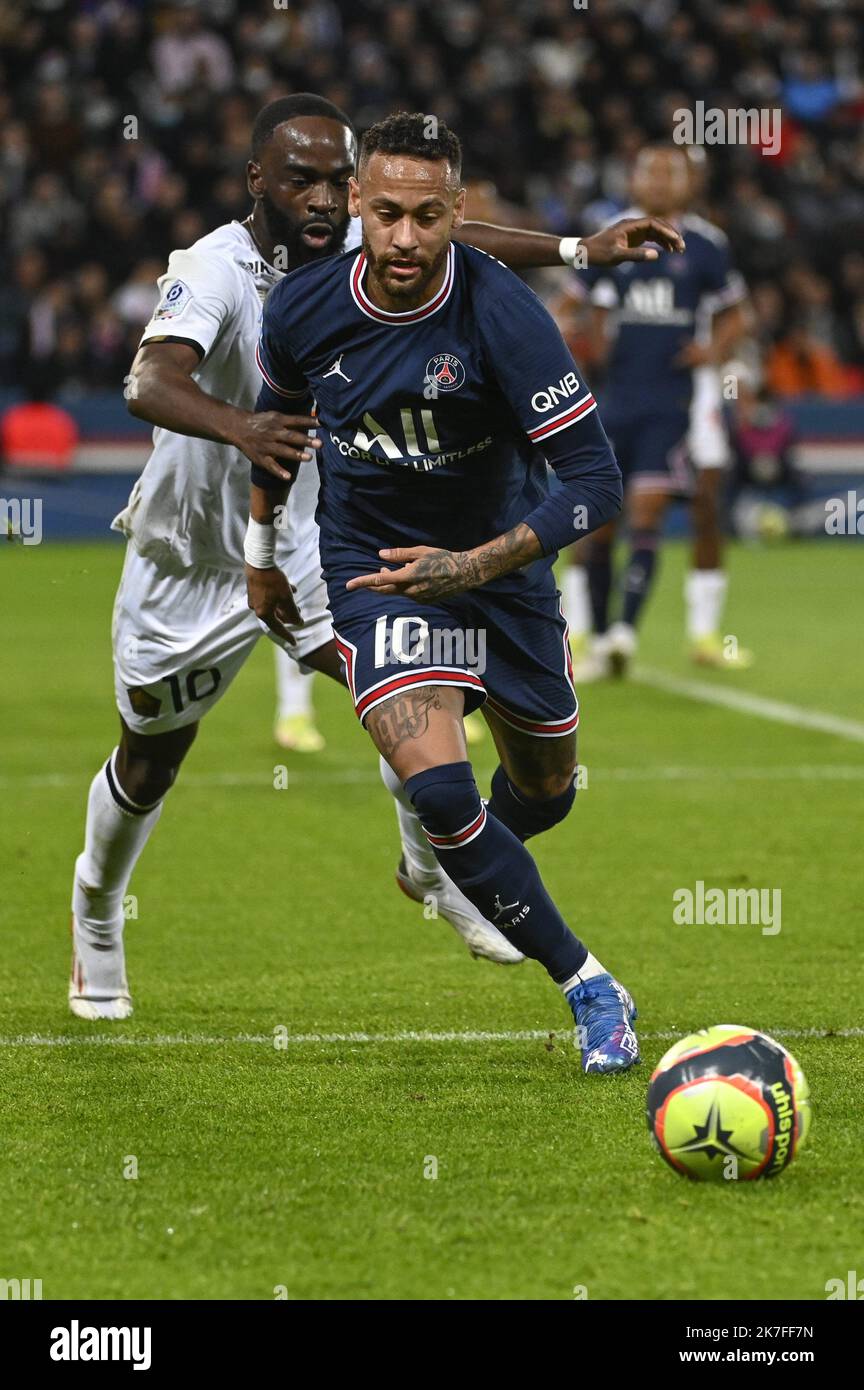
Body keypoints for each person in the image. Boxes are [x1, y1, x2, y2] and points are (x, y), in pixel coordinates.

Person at [69, 94, 682, 1018]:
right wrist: (248, 430)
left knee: (408, 705)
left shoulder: (369, 243)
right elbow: (148, 378)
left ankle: (439, 874)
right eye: (300, 181)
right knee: (151, 757)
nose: (321, 201)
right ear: (257, 184)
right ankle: (99, 910)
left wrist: (575, 252)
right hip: (187, 552)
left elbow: (450, 234)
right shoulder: (217, 266)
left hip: (324, 539)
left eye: (333, 184)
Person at [245, 112, 641, 1074]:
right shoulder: (301, 309)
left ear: (457, 212)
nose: (406, 239)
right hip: (377, 572)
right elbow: (279, 423)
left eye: (428, 217)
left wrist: (471, 565)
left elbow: (598, 485)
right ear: (353, 204)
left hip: (498, 570)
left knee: (544, 793)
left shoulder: (504, 317)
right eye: (385, 213)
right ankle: (592, 987)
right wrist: (261, 549)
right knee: (442, 790)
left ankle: (444, 856)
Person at [554, 146, 749, 676]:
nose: (660, 182)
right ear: (633, 178)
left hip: (683, 398)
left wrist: (714, 352)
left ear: (689, 183)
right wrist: (573, 347)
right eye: (650, 171)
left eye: (671, 173)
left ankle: (688, 631)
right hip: (609, 398)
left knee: (688, 502)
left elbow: (736, 314)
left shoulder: (707, 244)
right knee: (593, 518)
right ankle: (579, 635)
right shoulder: (608, 234)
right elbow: (571, 304)